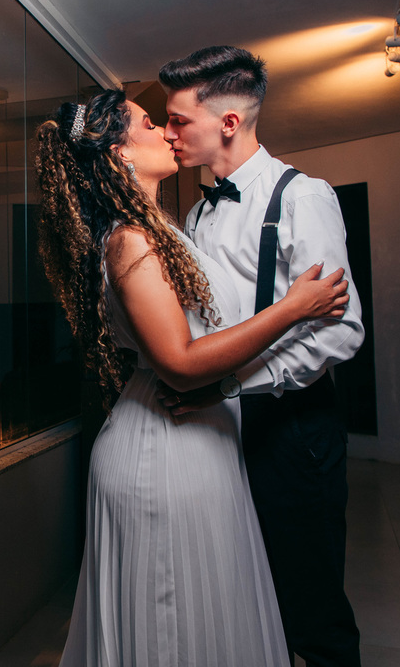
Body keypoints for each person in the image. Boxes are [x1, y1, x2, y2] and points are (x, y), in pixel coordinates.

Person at [35, 89, 350, 666]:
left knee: (205, 618)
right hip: (163, 448)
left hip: (200, 439)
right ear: (120, 154)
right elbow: (180, 363)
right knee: (171, 624)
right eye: (149, 124)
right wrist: (292, 308)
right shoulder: (130, 241)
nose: (166, 132)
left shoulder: (161, 229)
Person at [160, 46, 365, 667]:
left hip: (293, 428)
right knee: (244, 593)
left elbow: (341, 331)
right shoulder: (197, 211)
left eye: (178, 121)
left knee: (312, 607)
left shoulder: (303, 197)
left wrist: (232, 387)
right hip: (217, 427)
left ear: (228, 122)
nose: (168, 133)